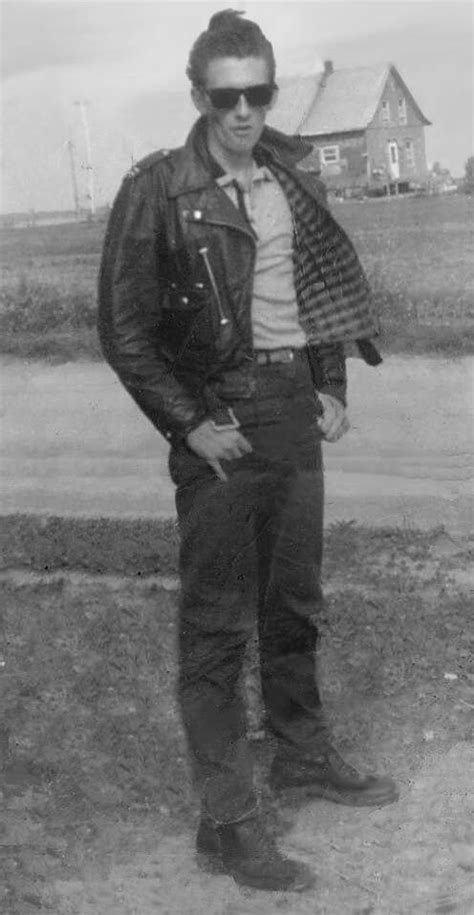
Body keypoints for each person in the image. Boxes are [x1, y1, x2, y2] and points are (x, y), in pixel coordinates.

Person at [98, 9, 399, 893]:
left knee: (295, 602)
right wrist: (188, 424)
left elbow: (313, 289)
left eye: (257, 93)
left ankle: (302, 754)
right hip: (218, 423)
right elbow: (123, 329)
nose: (242, 111)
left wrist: (331, 382)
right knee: (218, 628)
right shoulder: (158, 189)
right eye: (225, 96)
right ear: (198, 96)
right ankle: (227, 823)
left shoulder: (287, 178)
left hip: (292, 410)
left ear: (270, 92)